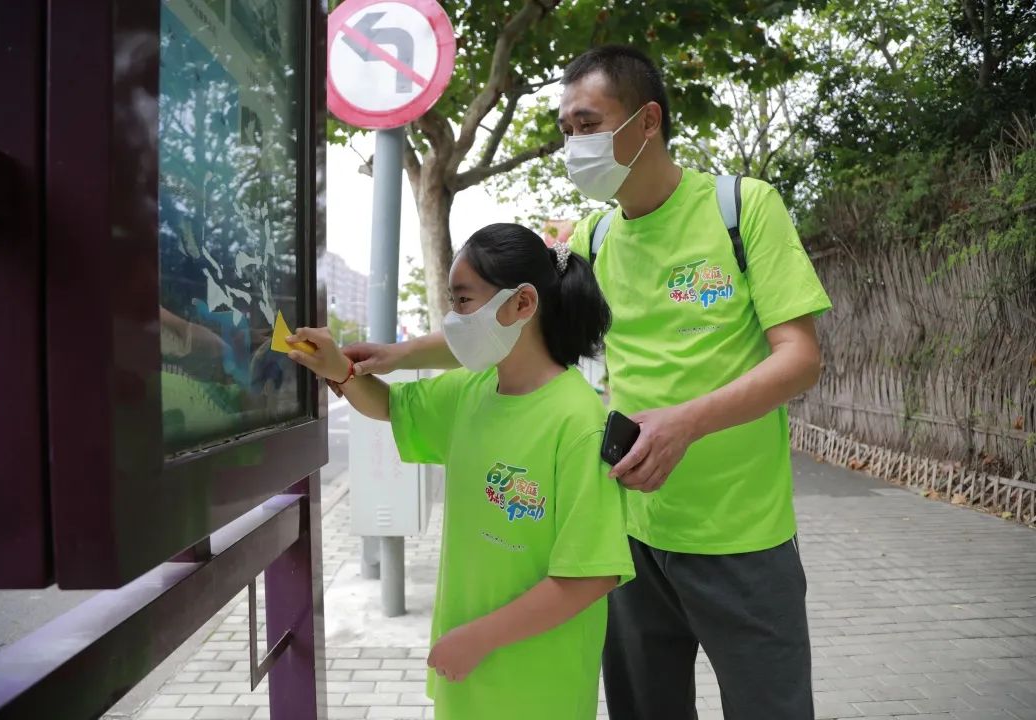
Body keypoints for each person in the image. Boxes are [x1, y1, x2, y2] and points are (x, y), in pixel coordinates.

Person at [343, 45, 832, 720]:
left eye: (587, 123)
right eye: (565, 129)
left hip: (740, 537)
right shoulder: (596, 238)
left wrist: (686, 421)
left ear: (646, 121)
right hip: (627, 535)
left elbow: (800, 358)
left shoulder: (741, 210)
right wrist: (399, 355)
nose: (573, 143)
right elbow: (507, 322)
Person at [286, 223, 634, 720]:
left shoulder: (577, 420)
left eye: (464, 301)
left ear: (522, 304)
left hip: (538, 687)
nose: (453, 319)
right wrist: (339, 369)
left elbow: (591, 577)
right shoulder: (473, 391)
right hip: (467, 674)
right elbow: (390, 406)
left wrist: (477, 639)